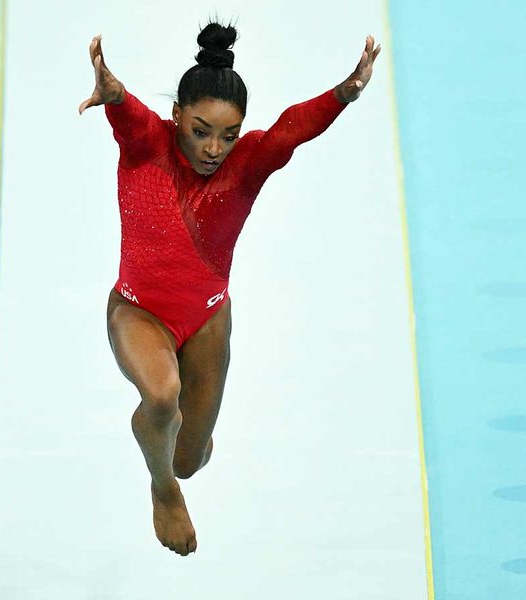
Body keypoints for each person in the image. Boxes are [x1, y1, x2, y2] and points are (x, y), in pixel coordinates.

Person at [78, 20, 380, 557]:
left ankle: (174, 464)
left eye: (228, 134)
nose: (214, 148)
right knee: (162, 397)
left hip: (209, 317)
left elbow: (291, 129)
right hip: (139, 311)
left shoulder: (246, 165)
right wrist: (114, 94)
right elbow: (129, 117)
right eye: (199, 131)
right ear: (176, 117)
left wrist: (344, 92)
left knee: (188, 459)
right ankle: (163, 491)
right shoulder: (149, 144)